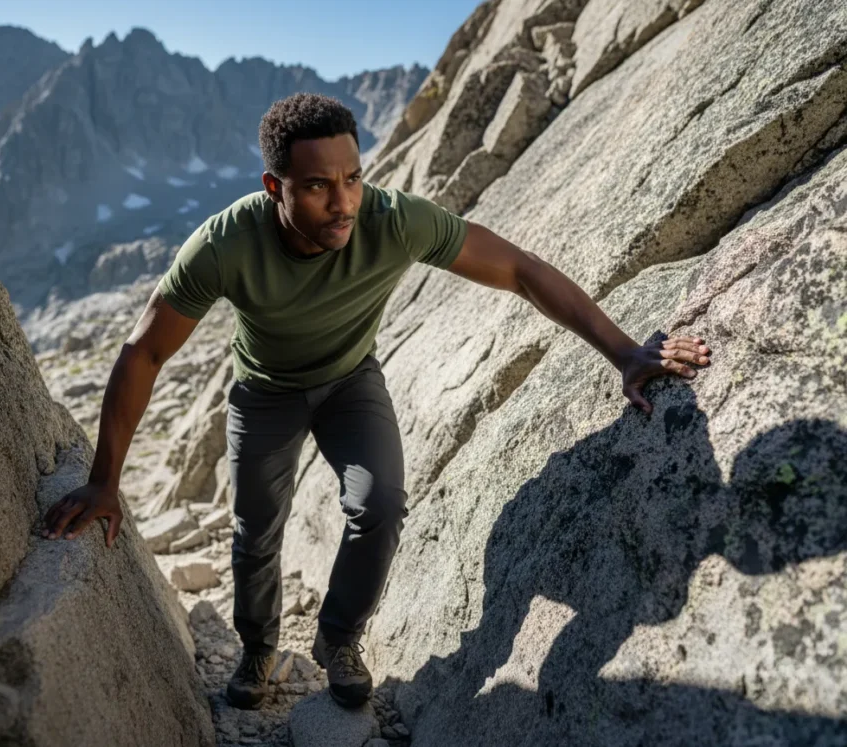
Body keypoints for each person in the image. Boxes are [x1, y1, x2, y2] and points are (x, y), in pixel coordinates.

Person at [40, 93, 711, 711]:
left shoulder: (392, 221)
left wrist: (625, 352)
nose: (343, 202)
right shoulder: (224, 245)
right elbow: (144, 353)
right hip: (264, 393)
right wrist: (105, 481)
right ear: (274, 187)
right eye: (318, 186)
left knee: (380, 502)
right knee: (255, 534)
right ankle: (256, 647)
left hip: (349, 382)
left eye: (352, 178)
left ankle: (338, 637)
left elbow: (519, 270)